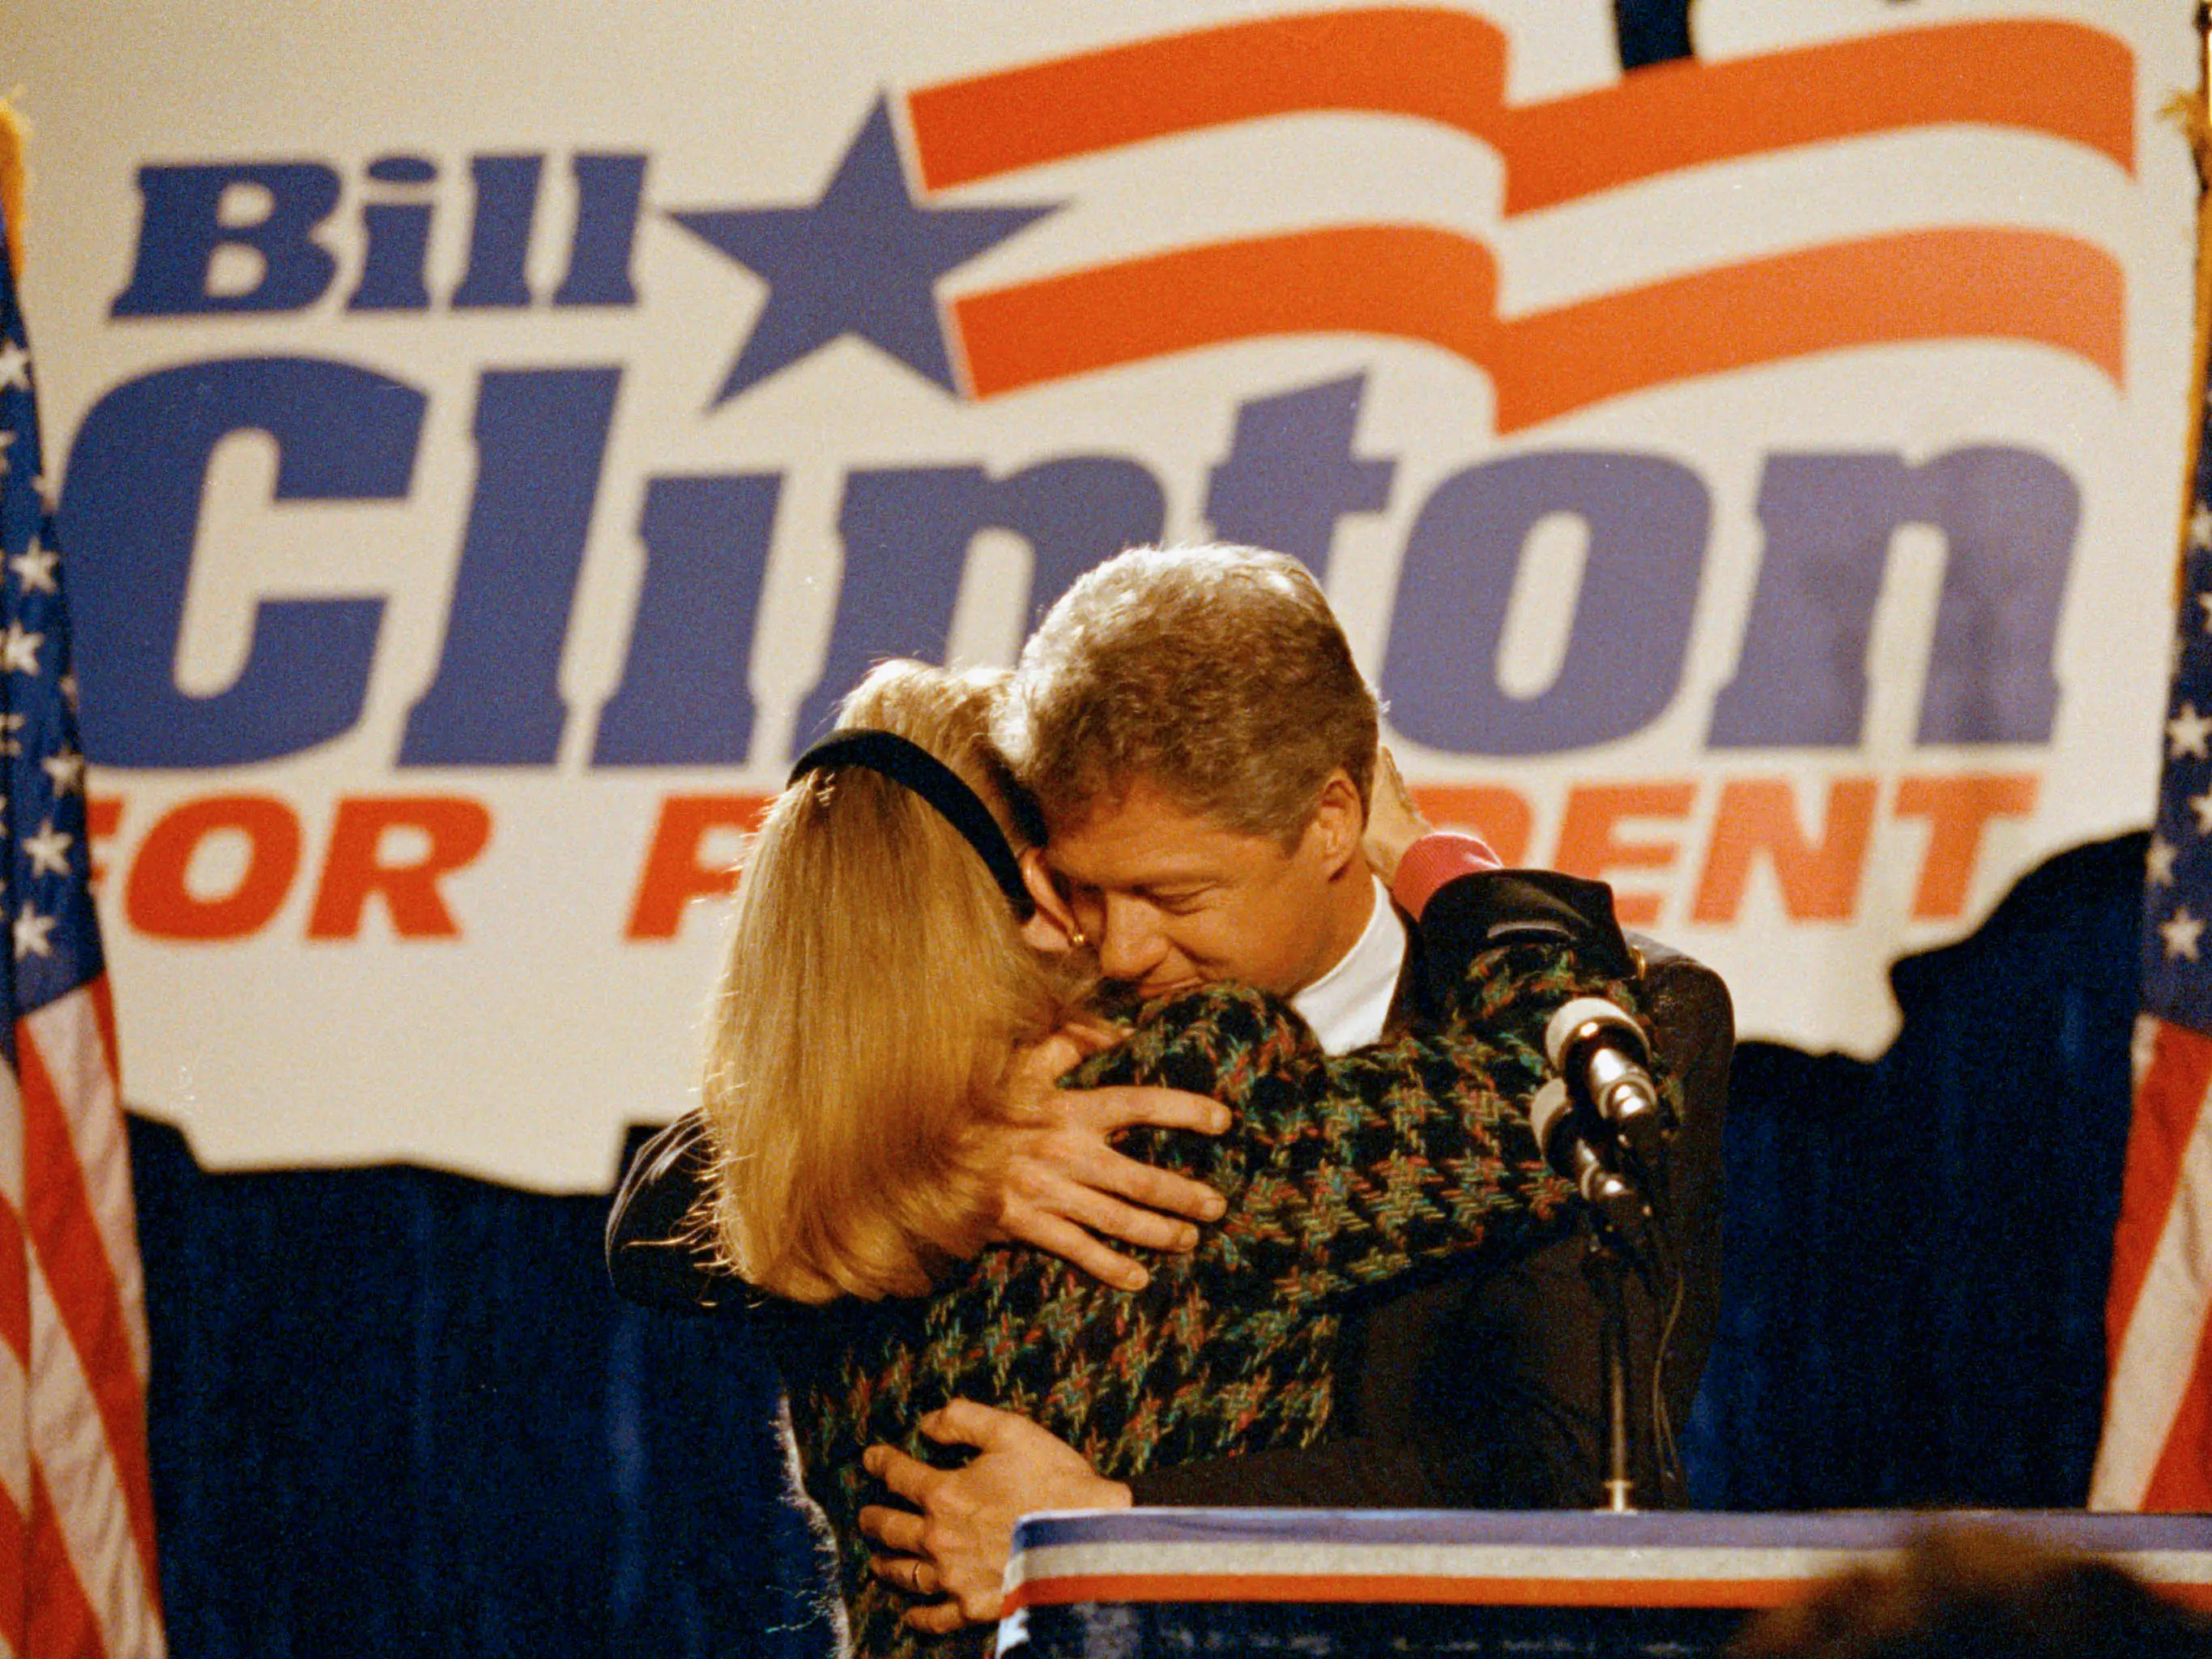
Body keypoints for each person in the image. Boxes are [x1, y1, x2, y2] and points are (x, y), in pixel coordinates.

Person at [647, 648, 1653, 1659]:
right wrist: (1425, 855)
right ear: (1030, 887)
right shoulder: (1174, 1095)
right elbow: (1556, 1089)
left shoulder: (799, 1193)